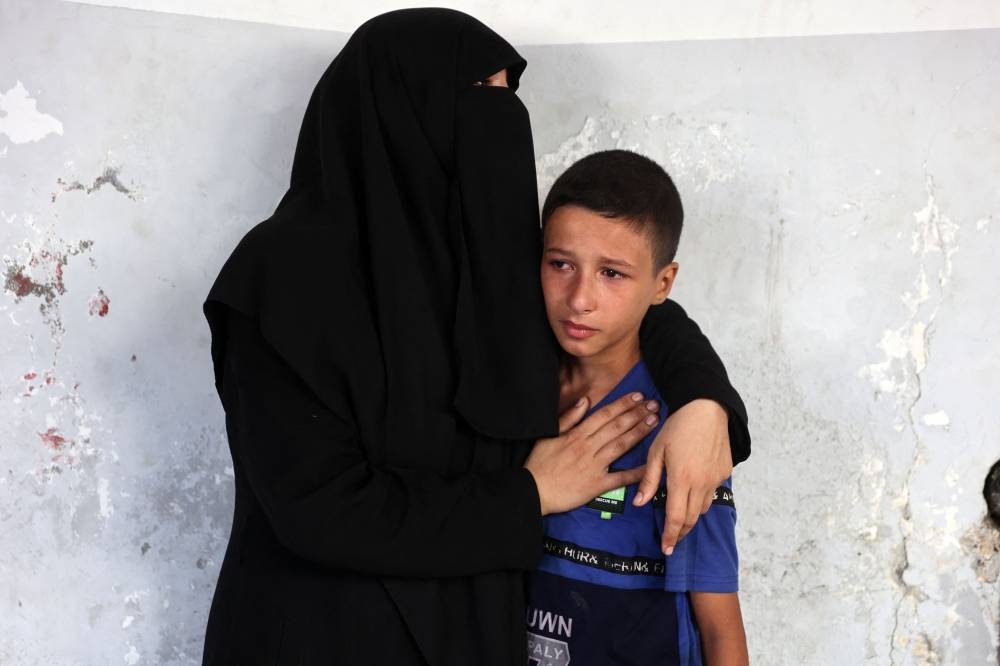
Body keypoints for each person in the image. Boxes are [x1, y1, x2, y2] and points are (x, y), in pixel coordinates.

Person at [201, 9, 749, 665]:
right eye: (480, 94)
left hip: (469, 635)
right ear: (405, 107)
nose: (501, 119)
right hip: (318, 637)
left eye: (507, 97)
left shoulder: (484, 257)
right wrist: (529, 497)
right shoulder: (280, 280)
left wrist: (704, 403)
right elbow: (319, 510)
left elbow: (624, 311)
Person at [525, 150, 747, 665]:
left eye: (612, 273)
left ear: (662, 284)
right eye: (561, 264)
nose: (579, 298)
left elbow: (720, 629)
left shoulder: (680, 430)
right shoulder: (510, 390)